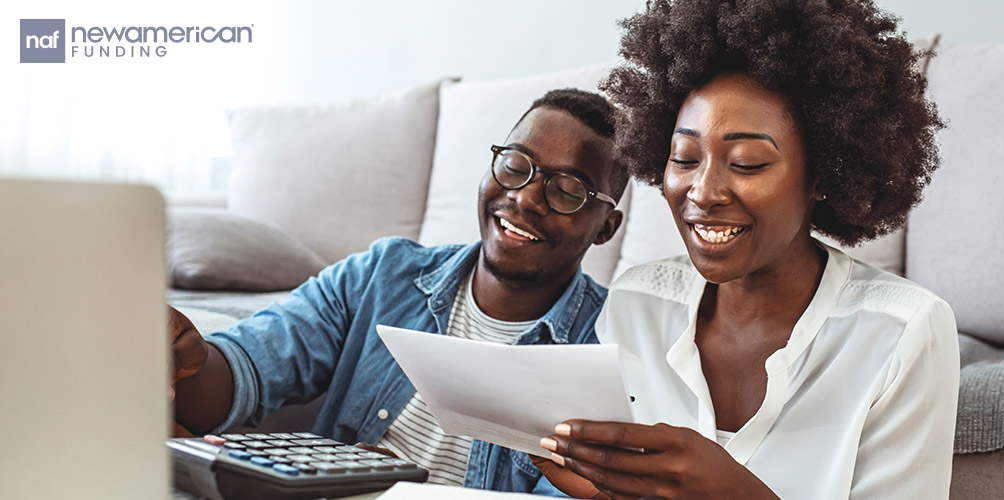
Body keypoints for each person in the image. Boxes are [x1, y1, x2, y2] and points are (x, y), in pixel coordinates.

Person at [535, 1, 959, 499]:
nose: (703, 192)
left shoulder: (902, 333)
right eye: (685, 158)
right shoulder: (638, 303)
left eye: (748, 162)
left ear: (822, 173)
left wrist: (733, 492)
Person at [168, 88, 629, 494]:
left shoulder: (613, 347)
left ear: (605, 227)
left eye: (567, 190)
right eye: (515, 164)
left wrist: (404, 491)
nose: (526, 197)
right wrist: (189, 360)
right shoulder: (381, 275)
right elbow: (246, 369)